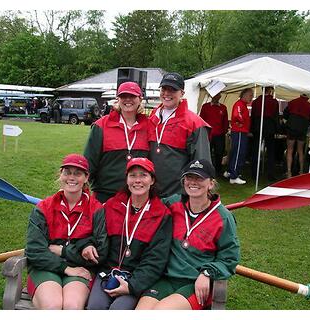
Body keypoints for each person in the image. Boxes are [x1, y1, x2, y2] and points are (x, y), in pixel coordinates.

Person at [136, 159, 240, 310]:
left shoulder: (223, 217)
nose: (193, 182)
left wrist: (207, 273)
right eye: (189, 177)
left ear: (211, 183)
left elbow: (230, 257)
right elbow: (147, 210)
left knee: (161, 312)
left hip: (195, 282)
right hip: (166, 278)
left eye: (199, 178)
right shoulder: (173, 204)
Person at [86, 157, 172, 310]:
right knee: (95, 307)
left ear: (152, 180)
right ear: (126, 179)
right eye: (133, 175)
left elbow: (156, 259)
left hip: (136, 278)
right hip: (107, 273)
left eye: (143, 175)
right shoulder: (112, 206)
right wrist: (88, 244)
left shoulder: (162, 214)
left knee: (119, 310)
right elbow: (93, 234)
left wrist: (132, 286)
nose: (137, 180)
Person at [25, 154, 108, 309]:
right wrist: (66, 268)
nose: (72, 177)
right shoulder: (43, 208)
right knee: (52, 305)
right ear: (60, 174)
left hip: (82, 270)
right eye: (67, 172)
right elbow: (35, 251)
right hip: (46, 268)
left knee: (72, 306)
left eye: (77, 173)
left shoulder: (96, 209)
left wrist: (63, 251)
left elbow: (101, 254)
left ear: (86, 177)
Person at [84, 82, 149, 203]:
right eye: (124, 96)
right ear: (117, 99)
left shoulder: (149, 126)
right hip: (106, 196)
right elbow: (89, 164)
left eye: (132, 96)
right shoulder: (101, 126)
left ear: (140, 99)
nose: (128, 100)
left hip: (138, 196)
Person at [148, 72, 212, 197]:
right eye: (164, 89)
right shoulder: (152, 117)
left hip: (177, 195)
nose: (167, 93)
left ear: (182, 93)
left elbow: (202, 164)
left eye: (172, 90)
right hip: (150, 192)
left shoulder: (194, 123)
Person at [224, 88, 253, 184]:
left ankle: (230, 171)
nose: (251, 98)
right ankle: (234, 176)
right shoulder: (239, 104)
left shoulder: (242, 104)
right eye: (250, 95)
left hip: (240, 131)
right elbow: (237, 115)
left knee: (235, 152)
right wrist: (242, 123)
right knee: (238, 152)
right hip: (239, 131)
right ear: (244, 95)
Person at [250, 87, 279, 181]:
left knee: (256, 150)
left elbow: (253, 116)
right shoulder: (274, 102)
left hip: (258, 126)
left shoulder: (256, 101)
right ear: (270, 91)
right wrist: (277, 129)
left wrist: (252, 128)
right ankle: (270, 173)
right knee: (270, 152)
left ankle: (254, 173)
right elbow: (276, 116)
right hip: (270, 127)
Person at [283, 94, 310, 177]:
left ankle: (289, 172)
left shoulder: (292, 102)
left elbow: (285, 114)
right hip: (302, 129)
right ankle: (301, 171)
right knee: (300, 151)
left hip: (291, 127)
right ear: (307, 97)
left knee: (290, 150)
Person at [199, 92, 229, 177]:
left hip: (219, 135)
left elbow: (225, 122)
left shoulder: (223, 108)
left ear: (220, 96)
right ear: (212, 96)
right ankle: (206, 170)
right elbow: (201, 120)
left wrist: (224, 131)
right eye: (215, 95)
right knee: (207, 153)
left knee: (219, 153)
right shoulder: (205, 107)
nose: (217, 97)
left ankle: (218, 171)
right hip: (208, 135)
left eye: (218, 95)